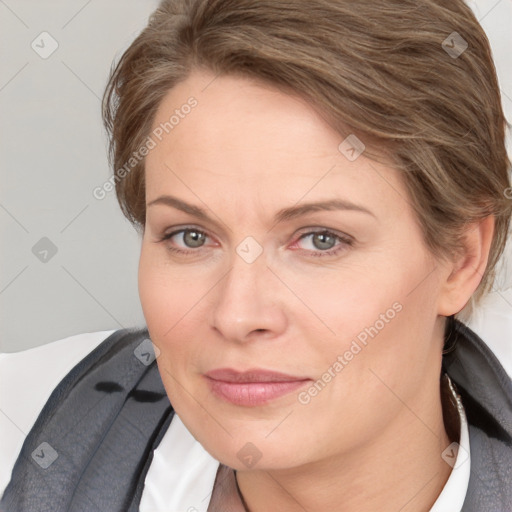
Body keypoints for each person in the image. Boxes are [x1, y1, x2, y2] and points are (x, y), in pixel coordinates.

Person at [1, 0, 511, 510]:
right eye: (191, 237)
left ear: (462, 259)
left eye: (320, 239)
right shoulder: (21, 433)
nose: (237, 315)